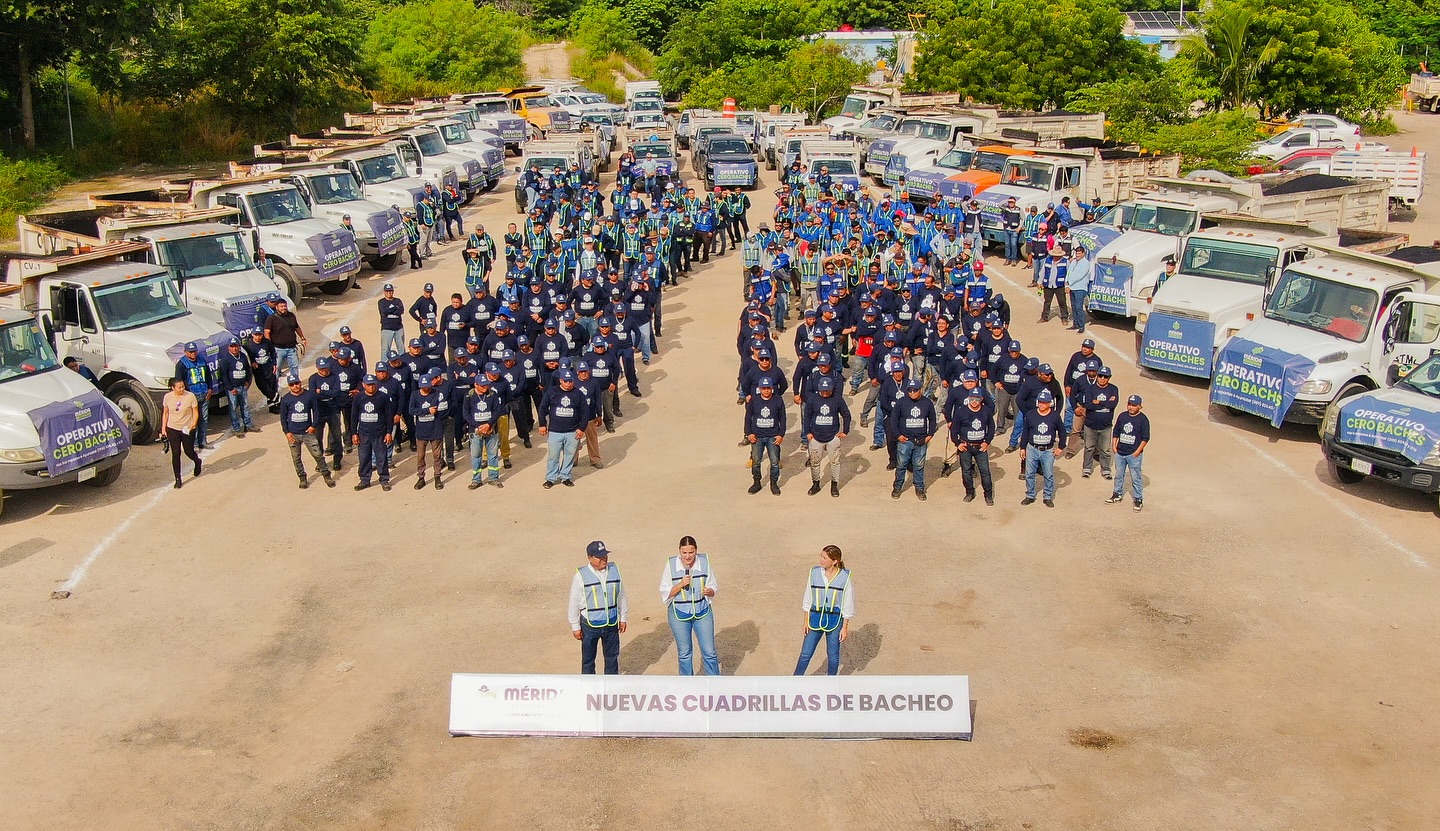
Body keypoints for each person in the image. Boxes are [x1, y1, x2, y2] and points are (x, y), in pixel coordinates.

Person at [659, 536, 719, 676]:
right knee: (685, 653)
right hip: (679, 614)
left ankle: (715, 685)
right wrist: (680, 584)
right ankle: (687, 686)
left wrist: (710, 591)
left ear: (696, 551)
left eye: (691, 552)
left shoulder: (704, 562)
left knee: (709, 652)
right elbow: (665, 593)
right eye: (684, 552)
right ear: (679, 551)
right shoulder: (671, 565)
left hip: (702, 612)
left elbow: (713, 586)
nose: (688, 556)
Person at [568, 540, 628, 675]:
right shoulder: (580, 576)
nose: (604, 559)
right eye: (599, 557)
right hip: (590, 625)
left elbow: (621, 594)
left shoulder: (614, 571)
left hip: (611, 623)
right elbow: (574, 601)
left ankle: (611, 690)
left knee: (612, 659)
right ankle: (589, 690)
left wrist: (623, 617)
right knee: (588, 661)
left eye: (605, 555)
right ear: (590, 558)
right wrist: (575, 626)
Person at [793, 545, 854, 676]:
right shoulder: (814, 573)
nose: (821, 560)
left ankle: (831, 683)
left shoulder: (845, 577)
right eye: (821, 556)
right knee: (805, 653)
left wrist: (845, 627)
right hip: (814, 618)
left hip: (835, 621)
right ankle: (795, 681)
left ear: (834, 561)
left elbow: (848, 604)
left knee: (833, 656)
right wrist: (805, 621)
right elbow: (808, 597)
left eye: (824, 558)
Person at [278, 374, 335, 489]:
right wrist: (286, 432)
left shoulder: (309, 396)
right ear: (289, 386)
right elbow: (283, 417)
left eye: (297, 383)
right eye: (292, 385)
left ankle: (326, 475)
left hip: (307, 432)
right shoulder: (286, 399)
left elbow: (316, 411)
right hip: (293, 434)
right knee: (296, 458)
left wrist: (313, 426)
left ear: (300, 383)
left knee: (318, 455)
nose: (295, 386)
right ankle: (302, 478)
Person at [538, 368, 589, 488]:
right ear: (560, 380)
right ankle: (551, 478)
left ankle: (565, 476)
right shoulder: (552, 392)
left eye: (570, 381)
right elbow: (542, 408)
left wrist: (581, 428)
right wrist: (542, 425)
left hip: (572, 431)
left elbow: (585, 412)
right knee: (553, 456)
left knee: (570, 455)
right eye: (566, 381)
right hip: (555, 431)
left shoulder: (578, 394)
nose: (568, 383)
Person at [889, 378, 937, 501]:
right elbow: (893, 420)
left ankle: (920, 488)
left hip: (921, 441)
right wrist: (898, 435)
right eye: (909, 390)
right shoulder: (901, 402)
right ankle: (897, 487)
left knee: (919, 466)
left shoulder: (927, 403)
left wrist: (930, 435)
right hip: (905, 440)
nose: (912, 392)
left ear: (920, 390)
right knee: (901, 466)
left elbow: (932, 420)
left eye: (914, 390)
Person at [803, 376, 851, 497]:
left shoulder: (837, 399)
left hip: (832, 437)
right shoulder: (813, 399)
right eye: (823, 390)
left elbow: (846, 414)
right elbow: (807, 416)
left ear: (832, 389)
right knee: (814, 462)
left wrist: (845, 431)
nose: (825, 393)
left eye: (827, 390)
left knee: (835, 462)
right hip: (815, 437)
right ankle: (815, 484)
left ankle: (834, 485)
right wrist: (807, 432)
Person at [947, 391, 996, 505]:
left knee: (985, 472)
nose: (974, 402)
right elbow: (954, 430)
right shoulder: (961, 411)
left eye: (977, 399)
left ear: (981, 399)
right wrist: (958, 443)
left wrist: (987, 442)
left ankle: (988, 495)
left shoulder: (986, 411)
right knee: (966, 472)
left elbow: (991, 427)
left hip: (980, 447)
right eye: (972, 399)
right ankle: (969, 492)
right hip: (966, 447)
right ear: (968, 398)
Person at [1021, 389, 1065, 507]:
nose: (1041, 404)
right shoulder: (1031, 414)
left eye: (1044, 402)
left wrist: (1061, 447)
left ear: (1049, 403)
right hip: (1032, 448)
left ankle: (1047, 497)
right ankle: (1030, 495)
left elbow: (1062, 432)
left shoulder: (1055, 416)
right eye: (1039, 402)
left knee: (1048, 474)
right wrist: (1022, 448)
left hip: (1048, 450)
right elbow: (1025, 432)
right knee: (1029, 473)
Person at [350, 374, 395, 491]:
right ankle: (365, 479)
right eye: (368, 385)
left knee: (381, 458)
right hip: (363, 433)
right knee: (364, 458)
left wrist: (389, 432)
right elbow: (354, 416)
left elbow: (388, 416)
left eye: (373, 384)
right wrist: (354, 433)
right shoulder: (358, 398)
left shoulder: (383, 397)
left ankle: (384, 479)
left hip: (379, 433)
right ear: (364, 385)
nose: (371, 387)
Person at [1107, 394, 1151, 512]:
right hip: (1120, 452)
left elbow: (1145, 438)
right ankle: (1117, 494)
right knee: (1118, 475)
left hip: (1133, 454)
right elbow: (1116, 431)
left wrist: (1137, 452)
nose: (1131, 407)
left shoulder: (1143, 419)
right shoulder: (1122, 416)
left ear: (1140, 407)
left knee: (1135, 477)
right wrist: (1114, 446)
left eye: (1134, 405)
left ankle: (1138, 498)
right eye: (1129, 404)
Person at [1077, 365, 1120, 479]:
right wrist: (1105, 402)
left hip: (1106, 426)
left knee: (1105, 450)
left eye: (1105, 377)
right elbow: (1089, 405)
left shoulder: (1113, 389)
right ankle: (1086, 468)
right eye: (1100, 376)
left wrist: (1098, 402)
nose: (1102, 378)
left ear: (1109, 378)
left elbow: (1113, 405)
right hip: (1090, 425)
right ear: (1097, 376)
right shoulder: (1090, 389)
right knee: (1089, 448)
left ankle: (1105, 469)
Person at [745, 376, 786, 495]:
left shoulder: (778, 400)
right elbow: (748, 417)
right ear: (760, 389)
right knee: (756, 460)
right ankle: (756, 482)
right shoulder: (754, 400)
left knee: (774, 461)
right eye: (764, 388)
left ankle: (774, 483)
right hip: (757, 436)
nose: (766, 390)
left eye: (768, 388)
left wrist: (781, 435)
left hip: (773, 436)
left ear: (772, 388)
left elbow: (782, 418)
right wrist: (749, 433)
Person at [161, 377, 201, 489]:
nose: (182, 389)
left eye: (183, 386)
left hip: (187, 428)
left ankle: (197, 461)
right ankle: (177, 478)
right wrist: (163, 428)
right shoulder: (167, 397)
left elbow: (195, 412)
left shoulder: (190, 396)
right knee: (176, 452)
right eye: (179, 387)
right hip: (172, 428)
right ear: (173, 388)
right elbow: (165, 413)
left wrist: (193, 424)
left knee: (189, 451)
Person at [173, 342, 214, 450]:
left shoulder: (201, 359)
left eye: (195, 351)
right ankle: (194, 443)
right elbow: (178, 381)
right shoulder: (182, 364)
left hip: (204, 393)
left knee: (204, 418)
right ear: (185, 352)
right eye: (190, 352)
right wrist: (185, 396)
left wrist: (210, 388)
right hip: (192, 396)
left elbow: (208, 375)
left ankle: (203, 441)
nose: (193, 354)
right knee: (192, 420)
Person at [217, 337, 257, 437]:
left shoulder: (243, 356)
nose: (234, 348)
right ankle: (236, 428)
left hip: (242, 386)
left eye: (236, 346)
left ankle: (248, 425)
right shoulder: (225, 360)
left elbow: (248, 369)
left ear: (239, 347)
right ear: (228, 348)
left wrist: (247, 381)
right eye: (232, 346)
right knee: (233, 408)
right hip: (232, 389)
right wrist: (230, 388)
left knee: (245, 406)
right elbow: (224, 375)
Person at [262, 299, 306, 381]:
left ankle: (295, 383)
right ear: (277, 307)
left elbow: (296, 327)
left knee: (294, 367)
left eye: (285, 306)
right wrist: (269, 345)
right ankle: (275, 389)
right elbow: (267, 331)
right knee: (277, 369)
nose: (283, 308)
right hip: (278, 349)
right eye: (281, 306)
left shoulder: (291, 316)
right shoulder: (271, 318)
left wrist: (302, 338)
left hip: (292, 348)